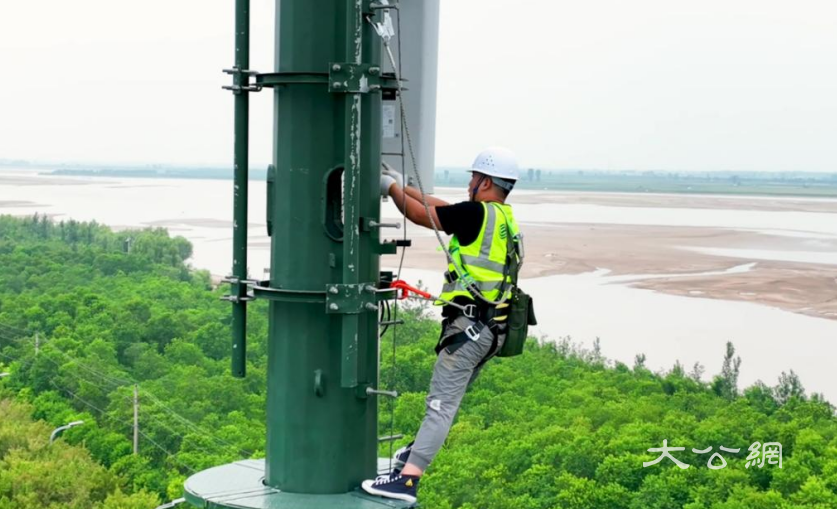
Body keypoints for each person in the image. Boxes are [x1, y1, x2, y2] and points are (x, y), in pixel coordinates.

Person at [362, 147, 522, 504]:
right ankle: (412, 454)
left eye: (472, 178)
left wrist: (390, 188)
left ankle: (408, 480)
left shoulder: (477, 215)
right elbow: (444, 207)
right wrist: (403, 185)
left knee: (440, 405)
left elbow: (423, 216)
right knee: (447, 403)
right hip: (491, 331)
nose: (469, 184)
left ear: (483, 181)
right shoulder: (502, 216)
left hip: (470, 332)